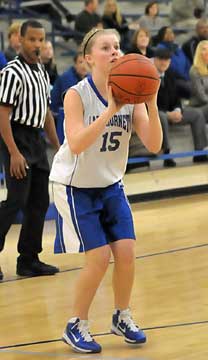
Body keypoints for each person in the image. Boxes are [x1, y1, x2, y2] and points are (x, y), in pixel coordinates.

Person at [49, 27, 162, 353]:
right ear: (87, 58)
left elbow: (154, 145)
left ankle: (121, 315)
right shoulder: (76, 95)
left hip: (110, 184)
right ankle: (76, 324)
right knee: (98, 258)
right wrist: (112, 108)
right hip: (74, 186)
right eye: (105, 47)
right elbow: (78, 143)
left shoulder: (133, 95)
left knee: (126, 253)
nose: (114, 51)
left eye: (116, 46)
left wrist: (150, 104)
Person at [0, 20, 60, 281]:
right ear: (20, 40)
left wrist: (59, 145)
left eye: (41, 40)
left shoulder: (42, 72)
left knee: (39, 202)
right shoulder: (11, 72)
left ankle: (28, 259)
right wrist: (13, 152)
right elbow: (2, 114)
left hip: (36, 139)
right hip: (16, 137)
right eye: (32, 39)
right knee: (16, 200)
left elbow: (46, 113)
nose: (37, 44)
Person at [153, 47, 208, 166]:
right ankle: (167, 154)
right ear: (155, 60)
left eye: (166, 59)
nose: (164, 62)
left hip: (172, 112)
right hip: (156, 114)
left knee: (197, 114)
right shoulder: (148, 76)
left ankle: (200, 153)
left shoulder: (170, 75)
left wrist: (177, 110)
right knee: (162, 116)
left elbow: (176, 98)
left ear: (170, 62)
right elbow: (147, 104)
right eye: (161, 59)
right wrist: (168, 114)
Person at [154, 26, 191, 99]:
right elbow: (167, 67)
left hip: (185, 78)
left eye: (171, 32)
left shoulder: (178, 48)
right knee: (190, 89)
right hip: (173, 78)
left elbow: (187, 63)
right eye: (167, 33)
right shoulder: (160, 48)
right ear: (162, 35)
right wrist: (183, 77)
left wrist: (187, 76)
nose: (170, 34)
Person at [50, 51, 88, 117]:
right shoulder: (67, 78)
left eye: (86, 62)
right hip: (57, 114)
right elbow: (72, 102)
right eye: (81, 62)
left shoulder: (88, 77)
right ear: (75, 64)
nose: (84, 65)